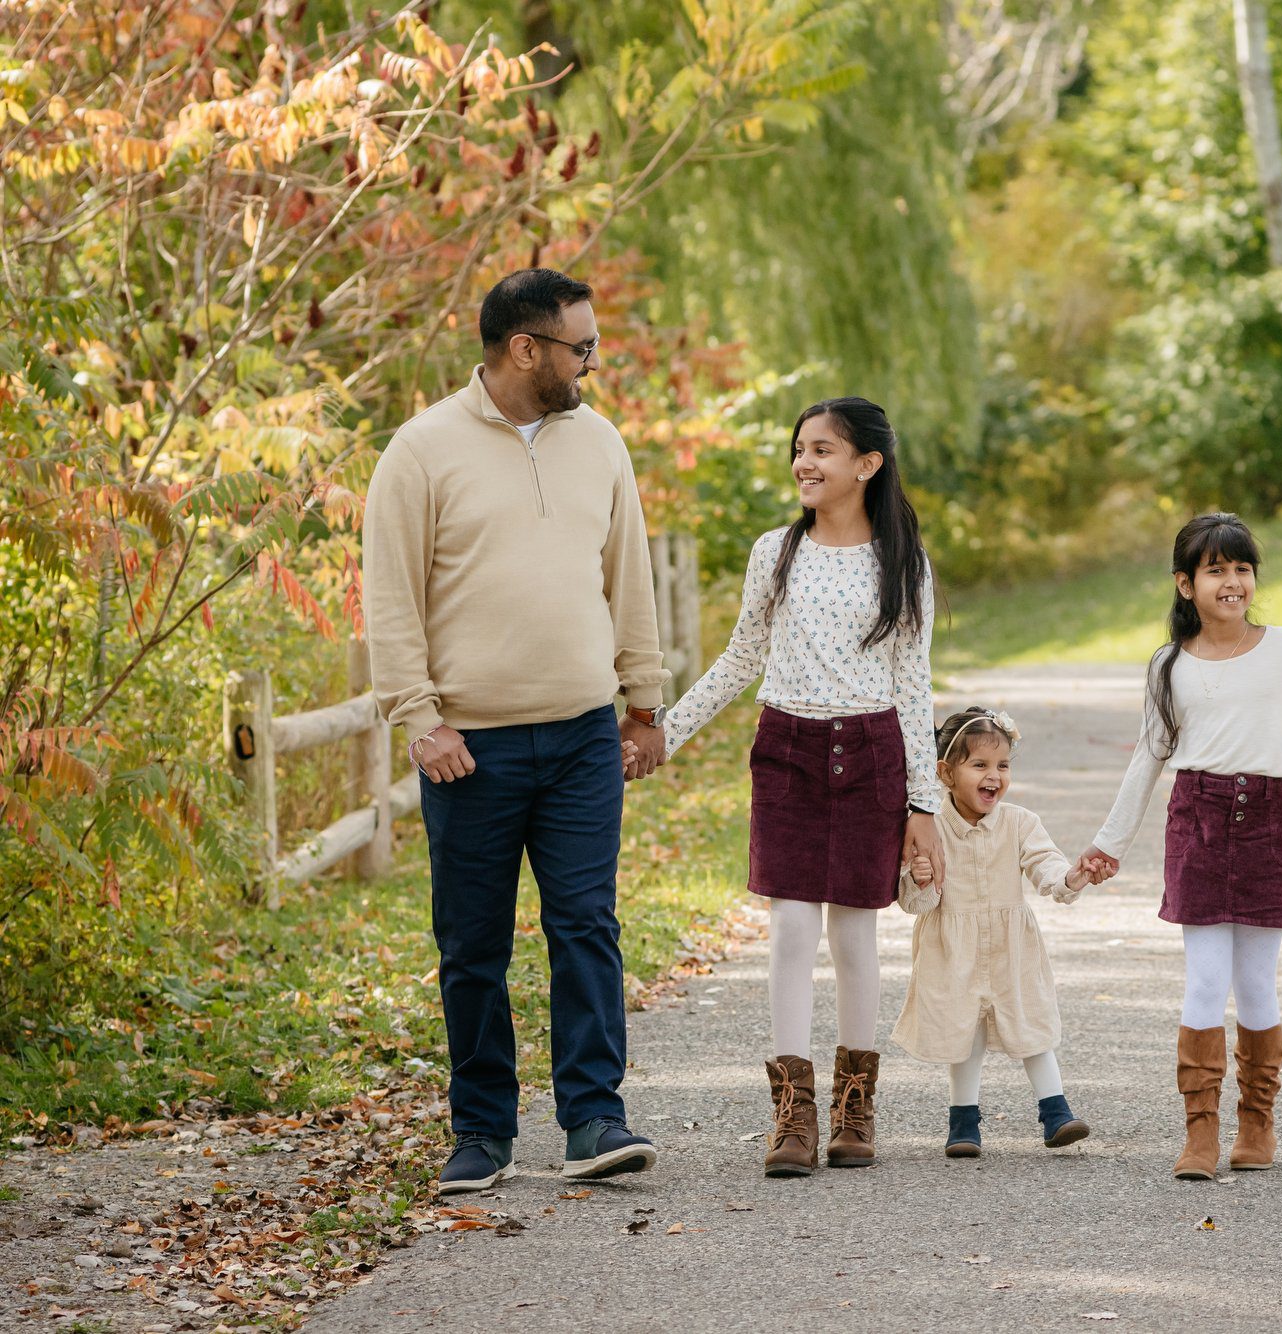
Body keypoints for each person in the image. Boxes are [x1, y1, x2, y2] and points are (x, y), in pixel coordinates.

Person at [363, 267, 666, 1195]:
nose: (593, 362)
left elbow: (630, 573)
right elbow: (391, 598)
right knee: (473, 944)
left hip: (581, 738)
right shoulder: (420, 451)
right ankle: (482, 1131)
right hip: (471, 749)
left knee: (586, 924)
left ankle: (594, 1117)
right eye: (582, 347)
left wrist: (644, 703)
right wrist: (419, 720)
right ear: (524, 349)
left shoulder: (600, 442)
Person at [656, 397, 942, 1177]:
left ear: (867, 464)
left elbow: (913, 689)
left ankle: (856, 1107)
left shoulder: (901, 561)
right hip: (786, 748)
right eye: (799, 449)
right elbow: (741, 656)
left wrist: (925, 805)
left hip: (870, 751)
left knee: (854, 935)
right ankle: (792, 1113)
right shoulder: (774, 552)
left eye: (823, 449)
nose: (805, 463)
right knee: (788, 931)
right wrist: (666, 731)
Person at [1081, 514, 1282, 1181]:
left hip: (1273, 823)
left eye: (1242, 568)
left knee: (1255, 982)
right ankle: (1200, 1132)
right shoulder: (1169, 664)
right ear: (1186, 584)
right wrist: (1109, 845)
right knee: (1206, 979)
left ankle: (1257, 1122)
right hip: (1201, 821)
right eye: (1216, 569)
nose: (1233, 581)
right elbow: (1149, 757)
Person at [892, 707, 1104, 1159]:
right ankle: (963, 1122)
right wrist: (922, 878)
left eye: (1003, 765)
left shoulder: (1019, 822)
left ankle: (1056, 1113)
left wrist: (1070, 877)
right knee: (963, 1030)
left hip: (1011, 946)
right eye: (980, 765)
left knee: (1029, 1022)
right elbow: (914, 904)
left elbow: (1044, 865)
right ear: (945, 773)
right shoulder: (930, 830)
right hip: (952, 947)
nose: (994, 776)